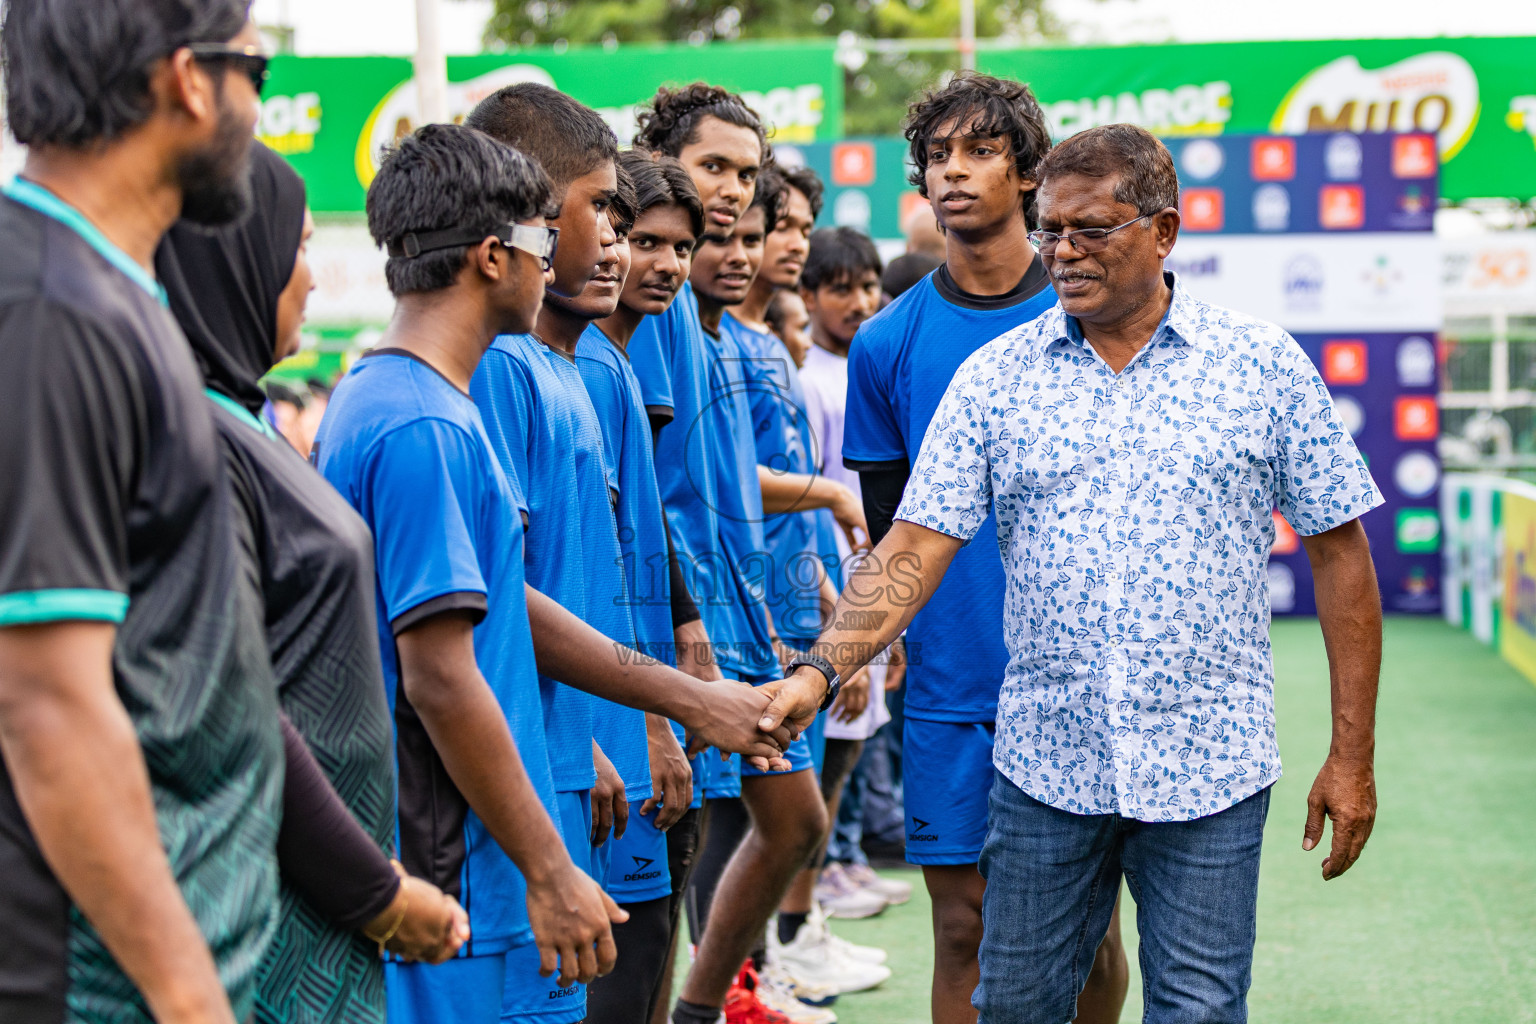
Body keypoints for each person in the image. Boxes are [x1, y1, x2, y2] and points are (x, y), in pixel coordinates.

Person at [758, 122, 1385, 1024]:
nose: (1062, 251)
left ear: (1164, 232)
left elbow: (1339, 553)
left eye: (1091, 229)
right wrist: (820, 671)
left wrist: (1351, 755)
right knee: (1014, 1006)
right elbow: (912, 546)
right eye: (1051, 229)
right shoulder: (994, 378)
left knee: (1200, 1008)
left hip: (1210, 766)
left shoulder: (1262, 367)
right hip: (1047, 767)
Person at [316, 124, 791, 1024]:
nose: (600, 244)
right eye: (562, 226)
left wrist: (687, 701)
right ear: (496, 255)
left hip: (492, 849)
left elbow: (492, 608)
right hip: (472, 867)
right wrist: (547, 865)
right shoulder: (424, 424)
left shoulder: (425, 404)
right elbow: (444, 677)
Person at [0, 3, 286, 1020]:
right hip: (92, 979)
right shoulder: (48, 306)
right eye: (255, 66)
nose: (262, 101)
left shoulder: (110, 289)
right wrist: (184, 992)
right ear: (188, 80)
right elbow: (46, 703)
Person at [156, 140, 468, 1024]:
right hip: (273, 901)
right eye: (295, 249)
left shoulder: (235, 418)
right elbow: (233, 705)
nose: (312, 281)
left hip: (316, 897)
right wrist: (377, 893)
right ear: (233, 257)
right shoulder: (198, 444)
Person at [840, 72, 1128, 1024]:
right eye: (936, 157)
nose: (952, 173)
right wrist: (867, 649)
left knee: (1091, 938)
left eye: (980, 151)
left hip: (1086, 678)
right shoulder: (885, 344)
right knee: (962, 926)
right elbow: (893, 529)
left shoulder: (1097, 312)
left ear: (1030, 170)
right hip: (954, 685)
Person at [630, 86, 831, 1024]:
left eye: (746, 176)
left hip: (733, 611)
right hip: (683, 623)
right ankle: (700, 1003)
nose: (731, 195)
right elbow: (646, 491)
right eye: (715, 167)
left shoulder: (708, 328)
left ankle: (704, 1003)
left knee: (784, 821)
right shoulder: (656, 311)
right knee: (690, 837)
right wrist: (687, 623)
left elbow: (717, 486)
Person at [463, 84, 658, 1024]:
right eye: (599, 209)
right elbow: (494, 596)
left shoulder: (573, 365)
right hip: (530, 764)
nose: (613, 238)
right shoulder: (500, 367)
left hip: (572, 756)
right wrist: (585, 730)